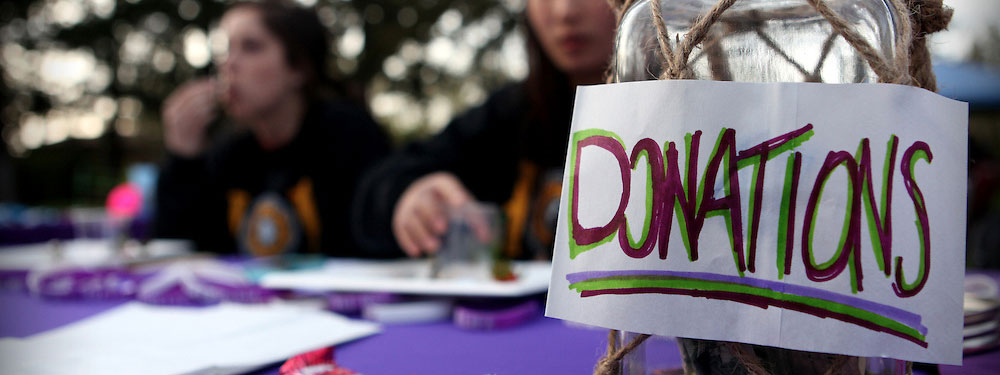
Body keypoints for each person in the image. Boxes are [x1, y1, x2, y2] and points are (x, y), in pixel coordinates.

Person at [353, 0, 616, 259]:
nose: (564, 11)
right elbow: (382, 182)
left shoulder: (656, 111)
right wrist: (408, 196)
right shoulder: (510, 114)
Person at [155, 0, 391, 257]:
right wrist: (183, 160)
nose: (229, 64)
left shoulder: (349, 138)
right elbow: (179, 248)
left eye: (251, 47)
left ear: (298, 68)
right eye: (226, 49)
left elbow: (376, 245)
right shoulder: (231, 157)